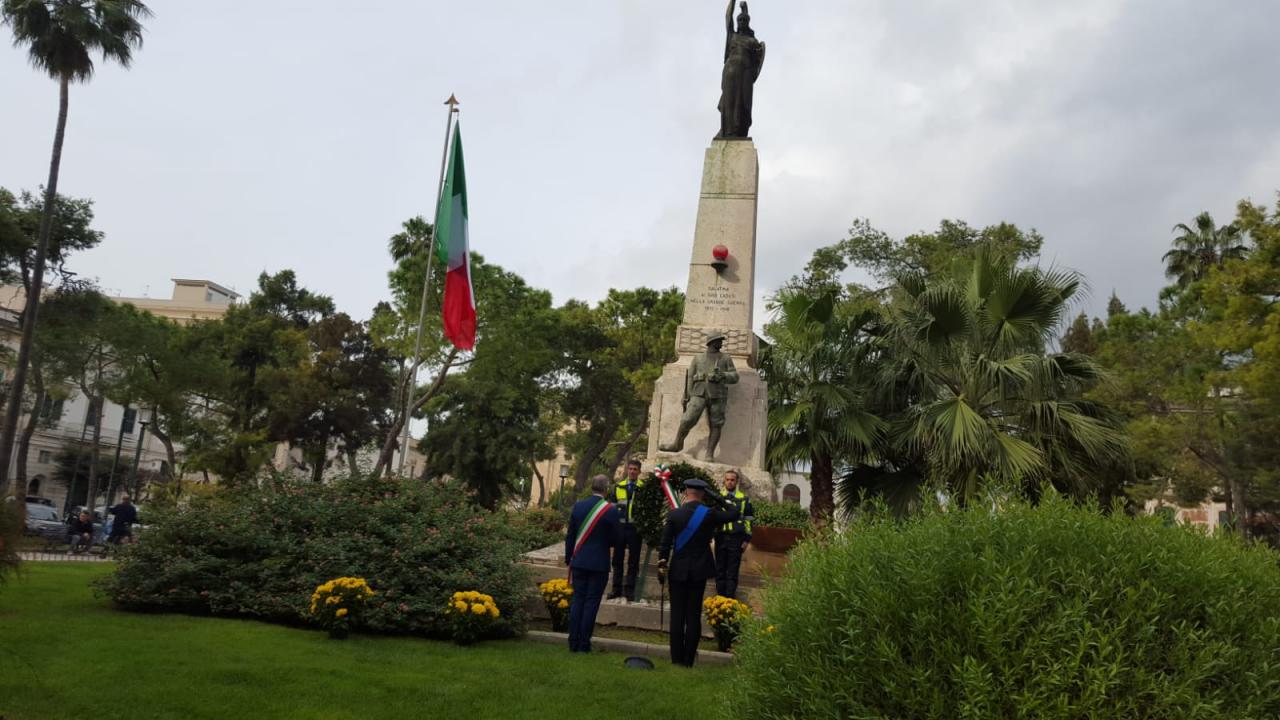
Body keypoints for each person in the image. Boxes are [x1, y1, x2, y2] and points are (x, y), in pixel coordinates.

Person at [658, 478, 739, 667]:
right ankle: (688, 660)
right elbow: (734, 513)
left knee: (677, 614)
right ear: (702, 493)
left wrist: (662, 565)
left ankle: (676, 659)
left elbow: (665, 544)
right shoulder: (709, 514)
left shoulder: (675, 514)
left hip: (678, 568)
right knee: (693, 615)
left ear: (686, 491)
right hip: (699, 569)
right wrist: (717, 498)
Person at [564, 474, 622, 653]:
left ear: (592, 487)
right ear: (606, 489)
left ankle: (573, 642)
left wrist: (569, 559)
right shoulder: (611, 510)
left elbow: (570, 536)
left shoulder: (579, 506)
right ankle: (583, 644)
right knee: (591, 603)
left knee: (577, 601)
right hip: (599, 563)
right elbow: (617, 539)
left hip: (579, 561)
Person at [658, 332, 739, 460]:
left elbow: (735, 377)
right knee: (687, 419)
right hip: (698, 392)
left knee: (716, 424)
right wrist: (687, 394)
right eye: (719, 340)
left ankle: (709, 453)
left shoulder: (725, 358)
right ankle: (676, 444)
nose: (721, 343)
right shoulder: (698, 358)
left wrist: (723, 375)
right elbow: (690, 376)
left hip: (718, 394)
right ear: (712, 342)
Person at [717, 0, 766, 139]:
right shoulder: (732, 35)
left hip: (745, 74)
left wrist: (745, 10)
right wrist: (733, 2)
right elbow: (728, 17)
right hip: (730, 71)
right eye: (740, 20)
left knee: (743, 102)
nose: (741, 22)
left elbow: (758, 60)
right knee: (729, 101)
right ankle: (726, 131)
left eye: (744, 20)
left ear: (748, 22)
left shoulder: (753, 41)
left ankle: (739, 132)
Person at [713, 470, 754, 599]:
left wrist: (747, 540)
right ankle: (719, 599)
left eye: (732, 480)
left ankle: (730, 601)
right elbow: (712, 518)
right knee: (720, 570)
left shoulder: (744, 499)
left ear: (736, 482)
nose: (730, 482)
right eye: (728, 480)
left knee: (732, 571)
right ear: (724, 481)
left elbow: (749, 520)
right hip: (720, 538)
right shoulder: (717, 497)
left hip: (736, 539)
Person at [609, 459, 645, 600]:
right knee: (617, 560)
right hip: (620, 528)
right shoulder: (619, 486)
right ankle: (616, 589)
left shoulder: (644, 488)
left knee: (633, 561)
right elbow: (612, 508)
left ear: (639, 472)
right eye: (630, 469)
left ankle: (630, 590)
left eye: (635, 469)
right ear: (627, 470)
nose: (632, 471)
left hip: (635, 529)